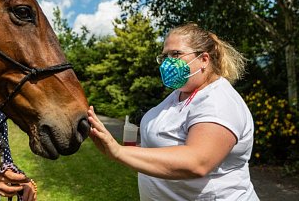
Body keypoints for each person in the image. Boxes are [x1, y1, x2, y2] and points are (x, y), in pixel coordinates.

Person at [88, 23, 259, 200]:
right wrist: (130, 150)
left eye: (176, 54)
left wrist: (118, 152)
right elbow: (165, 147)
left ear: (204, 59)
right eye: (165, 56)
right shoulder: (179, 94)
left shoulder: (218, 101)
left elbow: (197, 162)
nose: (168, 62)